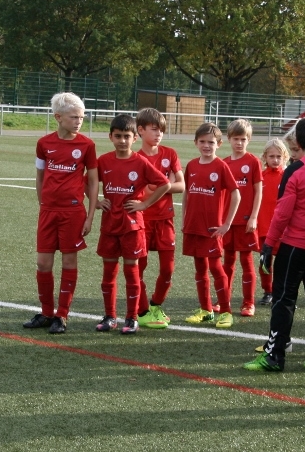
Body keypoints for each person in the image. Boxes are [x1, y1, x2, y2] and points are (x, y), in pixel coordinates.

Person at [244, 116, 305, 372]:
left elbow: (282, 213)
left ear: (298, 142)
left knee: (283, 299)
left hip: (296, 245)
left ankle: (274, 355)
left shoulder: (296, 170)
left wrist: (269, 245)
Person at [23, 92, 99, 335]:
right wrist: (42, 203)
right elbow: (40, 176)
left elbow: (93, 182)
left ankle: (62, 315)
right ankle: (46, 312)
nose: (79, 121)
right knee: (43, 263)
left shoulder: (87, 145)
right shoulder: (44, 143)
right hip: (48, 211)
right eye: (74, 117)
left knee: (69, 261)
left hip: (73, 212)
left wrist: (90, 216)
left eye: (82, 117)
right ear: (58, 117)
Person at [94, 114, 171, 334]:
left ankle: (131, 318)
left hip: (132, 226)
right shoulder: (104, 161)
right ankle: (110, 316)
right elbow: (87, 181)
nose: (122, 140)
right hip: (110, 224)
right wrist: (96, 201)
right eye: (118, 136)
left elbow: (164, 184)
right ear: (110, 136)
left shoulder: (140, 162)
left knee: (132, 271)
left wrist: (144, 204)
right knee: (109, 272)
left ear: (134, 138)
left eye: (126, 136)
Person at [182, 123, 240, 328]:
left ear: (219, 144)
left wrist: (227, 224)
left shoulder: (221, 166)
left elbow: (236, 194)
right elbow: (187, 193)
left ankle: (225, 311)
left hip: (212, 229)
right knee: (200, 268)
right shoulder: (191, 165)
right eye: (202, 142)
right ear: (196, 143)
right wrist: (184, 219)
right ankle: (206, 310)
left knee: (216, 268)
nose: (206, 146)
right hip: (193, 226)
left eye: (211, 142)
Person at [134, 107, 185, 330]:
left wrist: (160, 186)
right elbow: (141, 192)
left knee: (168, 270)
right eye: (154, 129)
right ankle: (142, 310)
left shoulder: (169, 154)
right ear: (140, 130)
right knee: (139, 267)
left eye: (161, 130)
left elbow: (181, 186)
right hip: (142, 221)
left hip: (165, 220)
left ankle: (156, 305)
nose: (159, 134)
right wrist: (165, 184)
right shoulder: (136, 158)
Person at [222, 119, 263, 317]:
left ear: (249, 140)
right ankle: (224, 299)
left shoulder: (253, 162)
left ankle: (248, 303)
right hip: (228, 221)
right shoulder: (224, 163)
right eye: (236, 139)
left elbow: (258, 192)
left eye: (243, 139)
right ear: (229, 139)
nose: (239, 143)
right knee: (227, 261)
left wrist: (253, 217)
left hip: (246, 220)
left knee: (246, 261)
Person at [256, 138, 288, 306]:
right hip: (263, 228)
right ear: (265, 157)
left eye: (278, 156)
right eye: (271, 156)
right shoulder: (260, 178)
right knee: (265, 262)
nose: (275, 160)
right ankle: (268, 291)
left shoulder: (288, 177)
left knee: (283, 264)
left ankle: (281, 292)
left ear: (284, 157)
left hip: (283, 230)